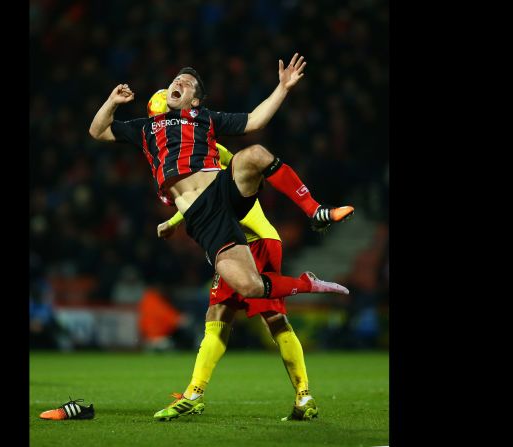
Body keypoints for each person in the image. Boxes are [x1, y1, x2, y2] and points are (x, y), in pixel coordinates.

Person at [42, 54, 352, 421]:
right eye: (176, 79)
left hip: (224, 193)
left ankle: (314, 209)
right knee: (249, 289)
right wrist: (111, 101)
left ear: (195, 100)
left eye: (187, 83)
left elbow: (255, 120)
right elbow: (96, 131)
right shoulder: (145, 129)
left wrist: (282, 88)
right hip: (205, 219)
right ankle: (307, 285)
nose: (179, 83)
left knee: (254, 153)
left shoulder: (203, 120)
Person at [147, 89, 321, 421]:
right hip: (243, 238)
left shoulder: (206, 148)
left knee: (265, 319)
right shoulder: (184, 154)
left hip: (254, 239)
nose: (162, 127)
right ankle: (198, 394)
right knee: (220, 317)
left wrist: (172, 220)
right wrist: (174, 220)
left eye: (163, 120)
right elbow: (205, 200)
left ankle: (300, 395)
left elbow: (219, 191)